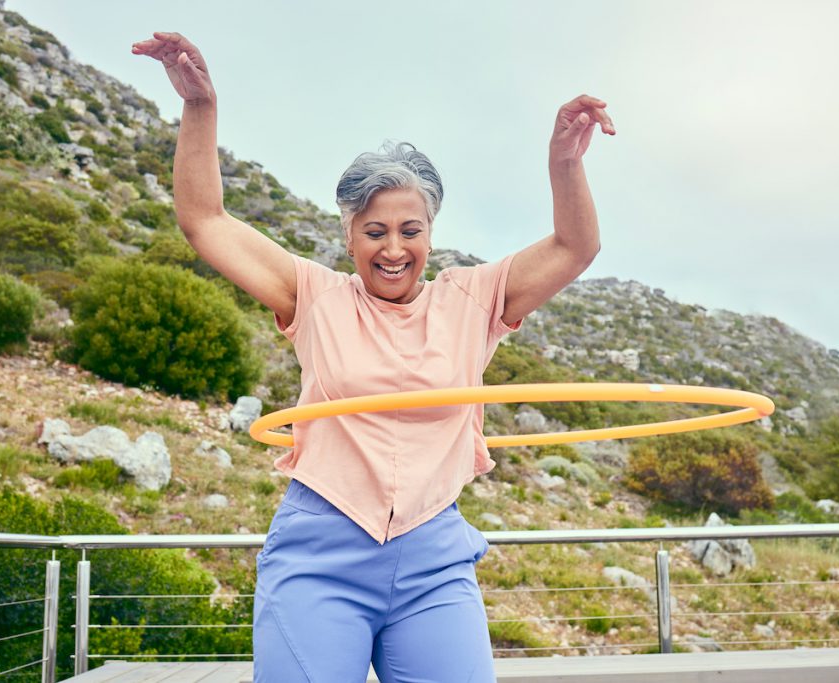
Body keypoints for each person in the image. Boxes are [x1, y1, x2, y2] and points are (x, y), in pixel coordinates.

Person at [132, 31, 614, 683]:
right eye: (375, 231)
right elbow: (205, 221)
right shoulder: (316, 296)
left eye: (410, 230)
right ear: (349, 234)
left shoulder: (472, 300)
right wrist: (199, 108)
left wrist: (565, 161)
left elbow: (574, 246)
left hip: (433, 557)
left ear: (431, 233)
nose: (394, 248)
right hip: (319, 552)